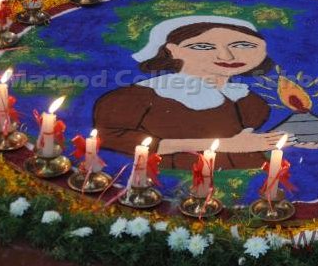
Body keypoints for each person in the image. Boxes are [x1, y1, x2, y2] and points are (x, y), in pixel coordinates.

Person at [93, 16, 293, 170]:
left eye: (243, 45)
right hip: (177, 177)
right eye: (203, 46)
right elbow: (111, 137)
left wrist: (290, 141)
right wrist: (224, 145)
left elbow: (245, 140)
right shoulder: (137, 97)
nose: (227, 56)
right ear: (173, 50)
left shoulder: (249, 99)